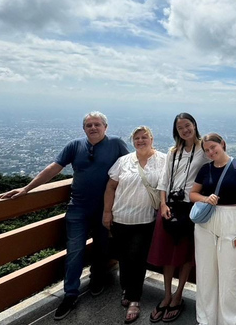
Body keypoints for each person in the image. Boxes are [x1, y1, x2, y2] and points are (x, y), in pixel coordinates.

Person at [0, 111, 129, 321]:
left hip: (106, 208)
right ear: (83, 129)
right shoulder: (74, 145)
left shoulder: (117, 144)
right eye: (88, 125)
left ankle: (97, 279)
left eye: (97, 124)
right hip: (78, 207)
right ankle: (70, 294)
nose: (93, 128)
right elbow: (54, 168)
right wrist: (27, 189)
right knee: (74, 250)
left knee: (102, 247)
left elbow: (130, 169)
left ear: (106, 127)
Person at [103, 126, 167, 323]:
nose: (140, 141)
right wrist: (107, 212)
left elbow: (168, 186)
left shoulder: (163, 160)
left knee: (137, 258)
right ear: (133, 141)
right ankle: (126, 290)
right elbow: (111, 186)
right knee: (123, 257)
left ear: (152, 139)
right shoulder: (124, 161)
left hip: (145, 219)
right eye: (137, 138)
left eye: (144, 137)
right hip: (120, 217)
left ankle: (134, 299)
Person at [147, 112, 206, 323]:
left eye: (187, 125)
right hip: (170, 206)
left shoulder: (204, 148)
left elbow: (220, 164)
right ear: (176, 131)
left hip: (191, 207)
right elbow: (164, 180)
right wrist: (162, 204)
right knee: (167, 253)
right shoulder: (173, 151)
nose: (185, 130)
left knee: (185, 254)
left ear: (194, 125)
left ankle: (178, 295)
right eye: (180, 127)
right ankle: (167, 295)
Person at [190, 133, 236, 325]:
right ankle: (206, 318)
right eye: (206, 150)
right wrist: (205, 198)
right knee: (205, 272)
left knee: (230, 273)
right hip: (206, 223)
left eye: (213, 147)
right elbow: (192, 194)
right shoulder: (205, 169)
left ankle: (231, 320)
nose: (210, 152)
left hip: (232, 219)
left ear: (222, 144)